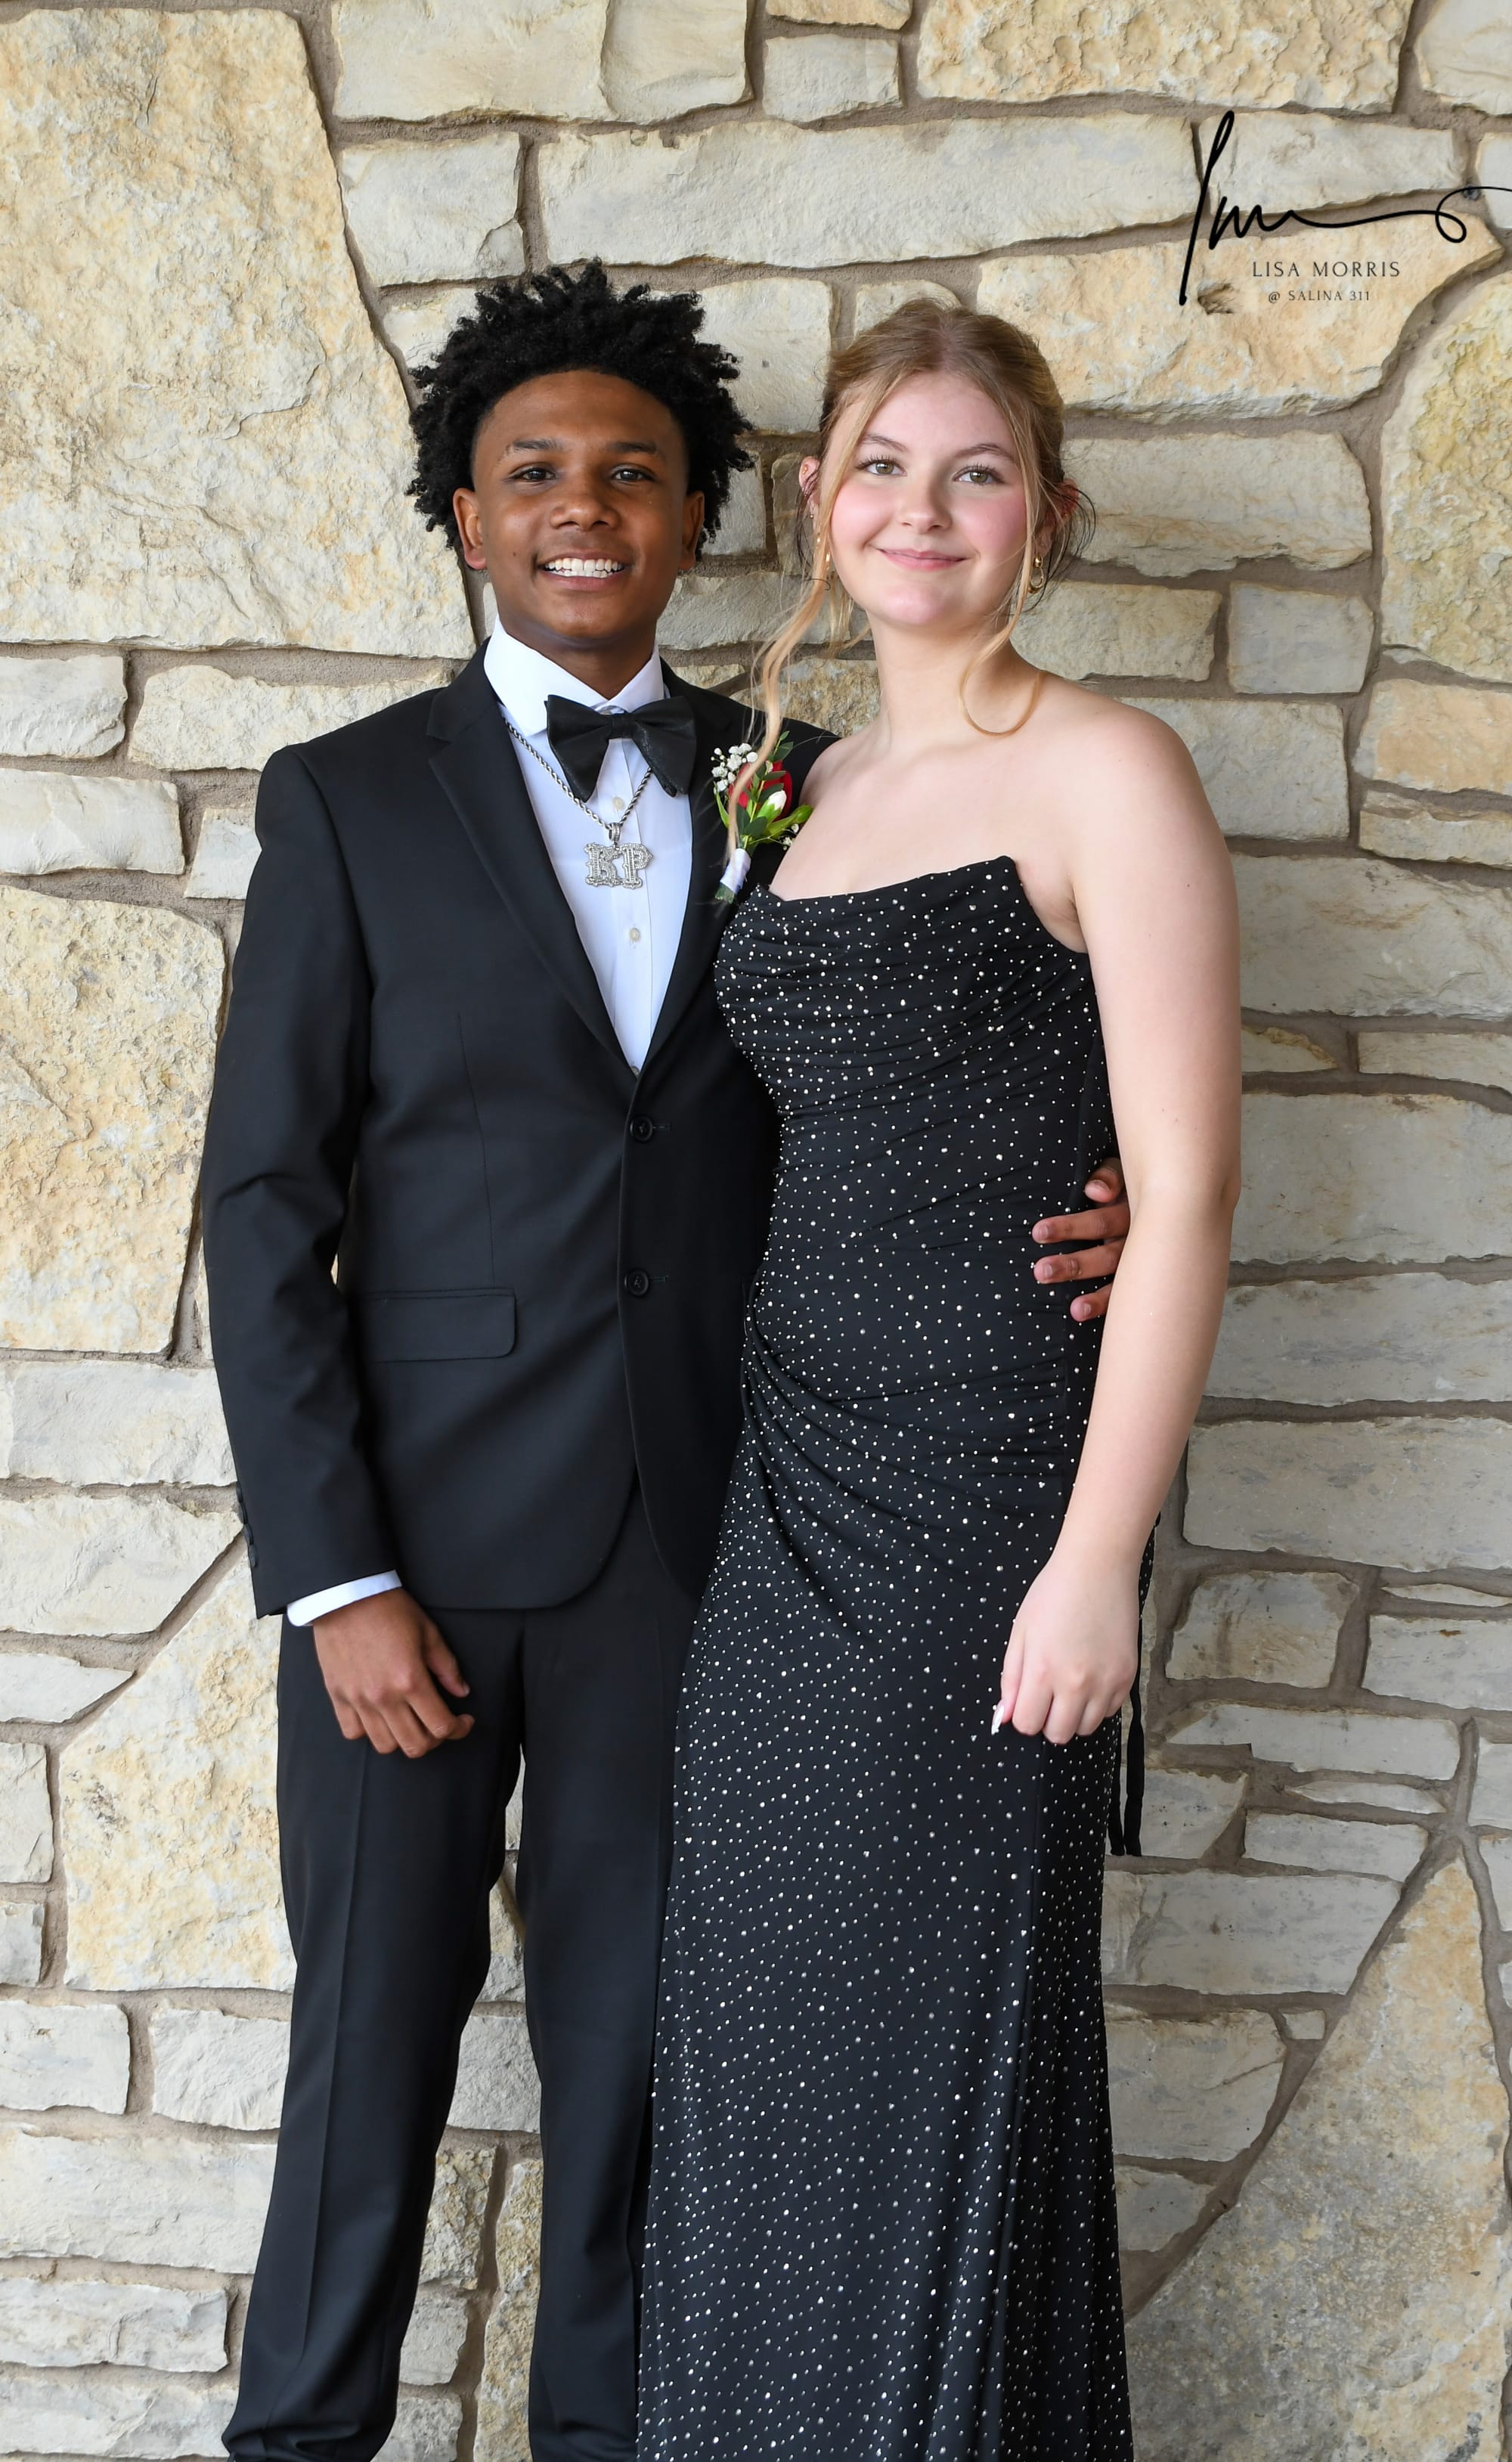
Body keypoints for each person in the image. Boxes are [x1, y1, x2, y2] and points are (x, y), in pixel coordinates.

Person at [200, 262, 1133, 2462]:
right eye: (531, 471)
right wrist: (334, 1577)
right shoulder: (346, 801)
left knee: (639, 2079)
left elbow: (920, 1069)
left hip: (708, 1566)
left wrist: (1094, 1200)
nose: (583, 506)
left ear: (707, 511)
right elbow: (261, 1213)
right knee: (364, 2062)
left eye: (632, 472)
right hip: (411, 1569)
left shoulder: (806, 782)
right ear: (464, 514)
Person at [637, 296, 1241, 2460]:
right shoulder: (798, 779)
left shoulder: (1105, 769)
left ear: (1043, 516)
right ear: (821, 498)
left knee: (937, 2072)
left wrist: (1096, 1564)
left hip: (990, 1514)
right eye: (883, 466)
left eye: (976, 471)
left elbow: (1188, 1192)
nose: (923, 509)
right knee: (765, 2066)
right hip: (786, 1510)